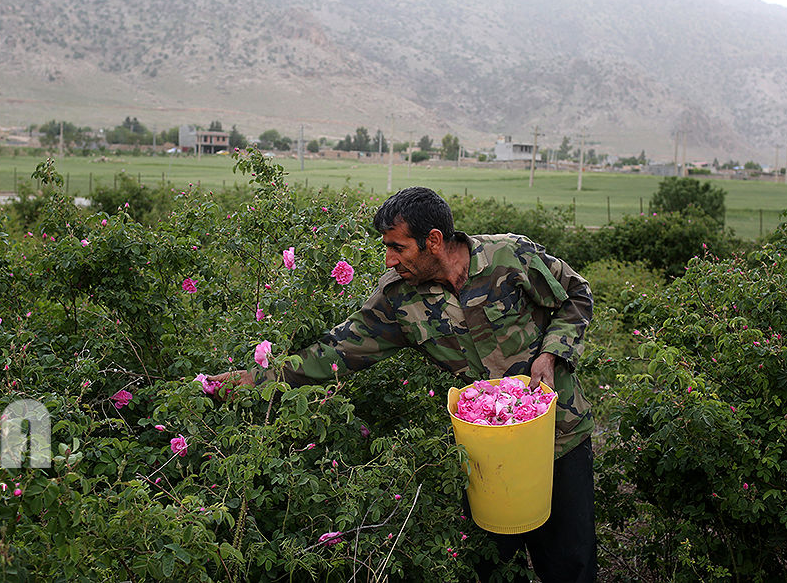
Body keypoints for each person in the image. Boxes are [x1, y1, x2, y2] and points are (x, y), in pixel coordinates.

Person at [209, 186, 596, 582]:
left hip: (558, 437)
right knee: (492, 568)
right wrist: (255, 380)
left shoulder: (510, 255)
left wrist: (551, 353)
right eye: (387, 248)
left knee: (570, 565)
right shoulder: (396, 298)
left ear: (433, 241)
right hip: (486, 454)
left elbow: (576, 296)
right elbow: (336, 351)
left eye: (398, 247)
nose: (390, 260)